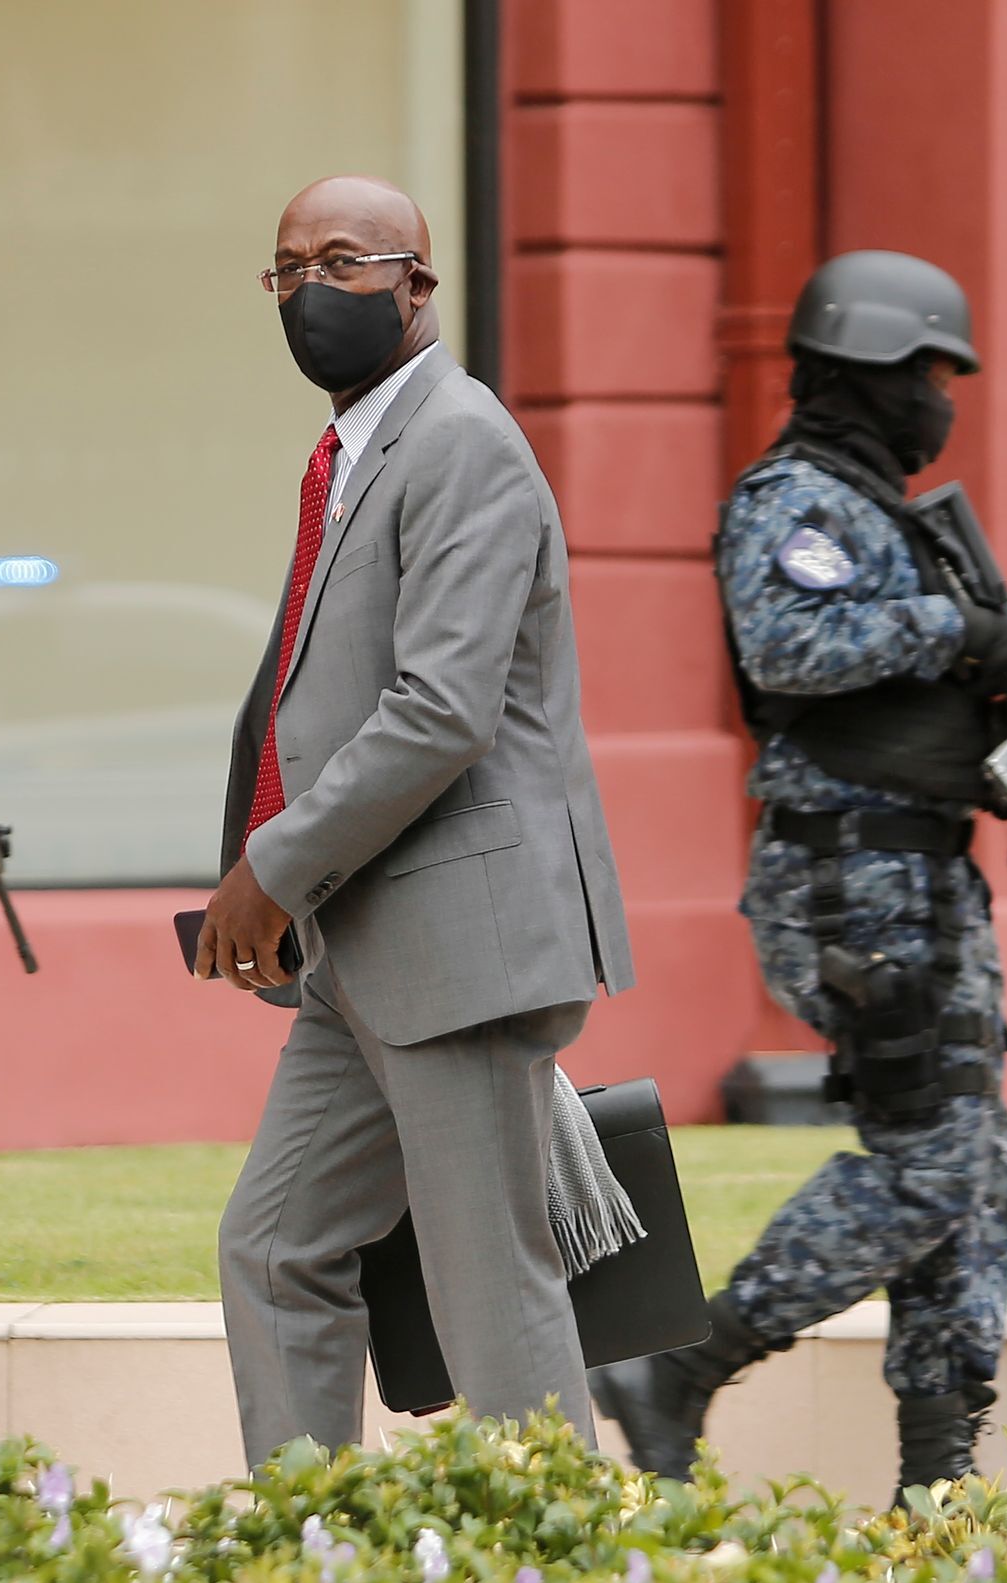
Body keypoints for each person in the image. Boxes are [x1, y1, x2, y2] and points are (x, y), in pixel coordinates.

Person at [203, 175, 634, 1467]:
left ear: (416, 285)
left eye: (343, 263)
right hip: (361, 945)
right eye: (287, 271)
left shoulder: (461, 439)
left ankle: (562, 1579)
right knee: (274, 1245)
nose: (310, 294)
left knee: (488, 1283)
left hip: (460, 945)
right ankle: (311, 1548)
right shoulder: (353, 451)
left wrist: (272, 867)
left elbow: (440, 709)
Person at [590, 250, 1007, 1500]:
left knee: (976, 1160)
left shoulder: (886, 513)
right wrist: (954, 630)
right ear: (867, 371)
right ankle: (685, 1362)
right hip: (850, 882)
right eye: (929, 373)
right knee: (936, 1160)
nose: (940, 398)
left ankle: (936, 1483)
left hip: (924, 879)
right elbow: (793, 645)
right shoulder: (792, 501)